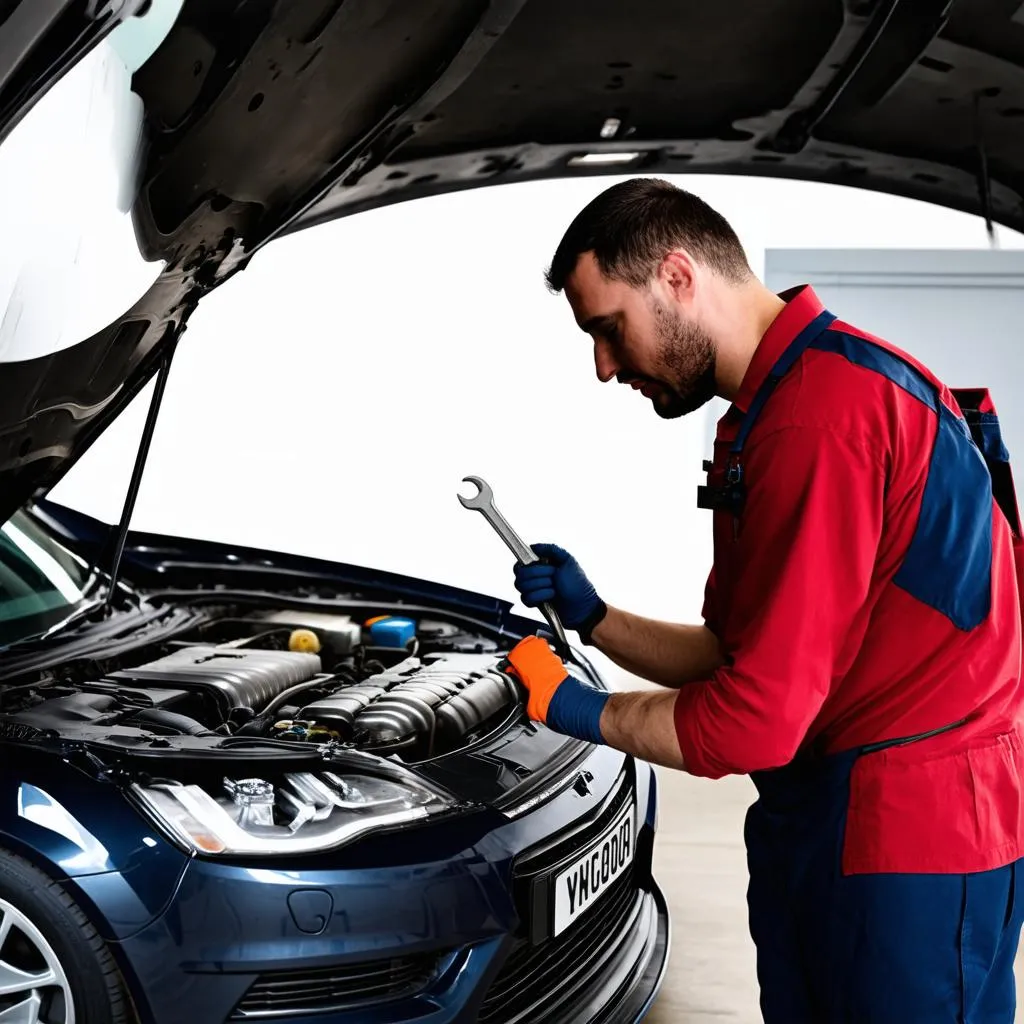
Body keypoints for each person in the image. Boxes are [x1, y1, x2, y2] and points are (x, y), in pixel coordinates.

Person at [499, 177, 1024, 1022]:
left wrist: (576, 708)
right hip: (830, 818)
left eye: (607, 328)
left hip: (909, 840)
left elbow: (753, 720)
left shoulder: (822, 417)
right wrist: (597, 617)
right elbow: (739, 651)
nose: (603, 366)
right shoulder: (780, 402)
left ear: (676, 276)